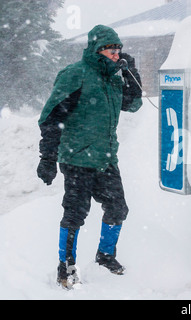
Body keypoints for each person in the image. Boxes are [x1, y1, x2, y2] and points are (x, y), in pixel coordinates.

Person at [37, 25, 143, 289]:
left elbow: (134, 103)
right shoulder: (76, 74)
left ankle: (106, 257)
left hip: (105, 159)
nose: (116, 54)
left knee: (118, 209)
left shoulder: (115, 78)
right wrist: (48, 158)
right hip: (77, 159)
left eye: (119, 50)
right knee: (75, 214)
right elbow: (51, 118)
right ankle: (67, 267)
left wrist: (131, 72)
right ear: (98, 50)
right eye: (111, 49)